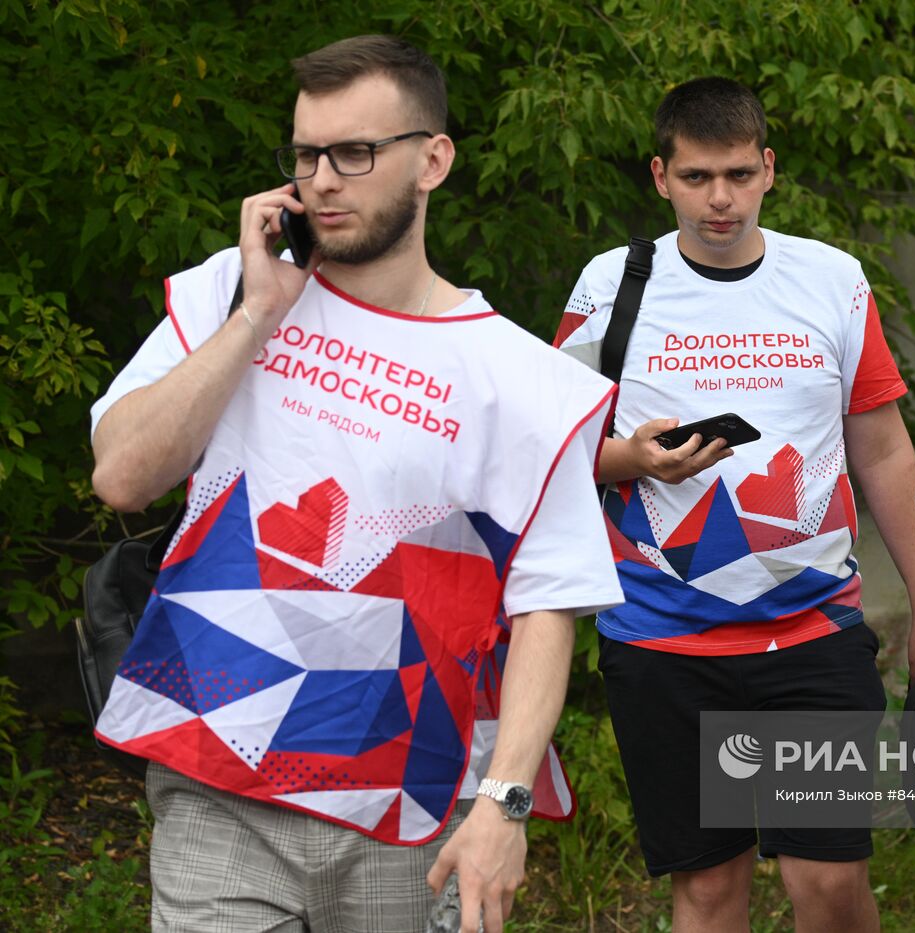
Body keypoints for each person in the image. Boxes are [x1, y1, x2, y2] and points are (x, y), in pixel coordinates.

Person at [89, 35, 622, 933]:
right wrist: (260, 312)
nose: (323, 180)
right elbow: (124, 475)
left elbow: (548, 605)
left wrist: (506, 804)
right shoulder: (232, 292)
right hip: (216, 770)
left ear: (433, 161)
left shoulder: (525, 381)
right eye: (306, 154)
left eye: (355, 153)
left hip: (417, 808)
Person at [553, 77, 915, 933]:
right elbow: (551, 450)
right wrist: (633, 459)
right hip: (662, 639)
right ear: (660, 175)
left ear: (769, 168)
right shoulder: (610, 285)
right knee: (707, 891)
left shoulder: (833, 279)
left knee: (828, 883)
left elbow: (882, 448)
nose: (720, 199)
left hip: (810, 637)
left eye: (738, 173)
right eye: (698, 177)